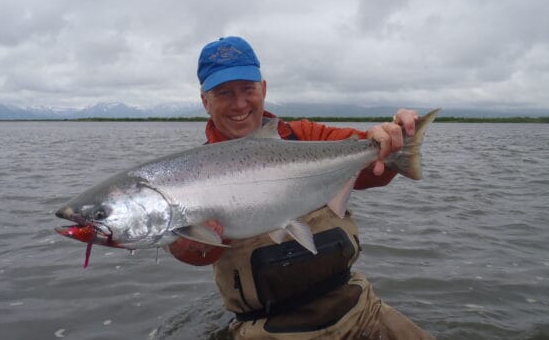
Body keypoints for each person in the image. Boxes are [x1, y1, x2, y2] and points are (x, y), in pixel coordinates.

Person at [167, 36, 435, 339]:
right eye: (224, 93)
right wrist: (195, 243)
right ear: (205, 101)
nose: (239, 103)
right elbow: (186, 252)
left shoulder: (306, 135)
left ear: (263, 89)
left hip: (359, 309)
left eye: (248, 89)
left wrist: (391, 139)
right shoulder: (189, 176)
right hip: (267, 330)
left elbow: (371, 168)